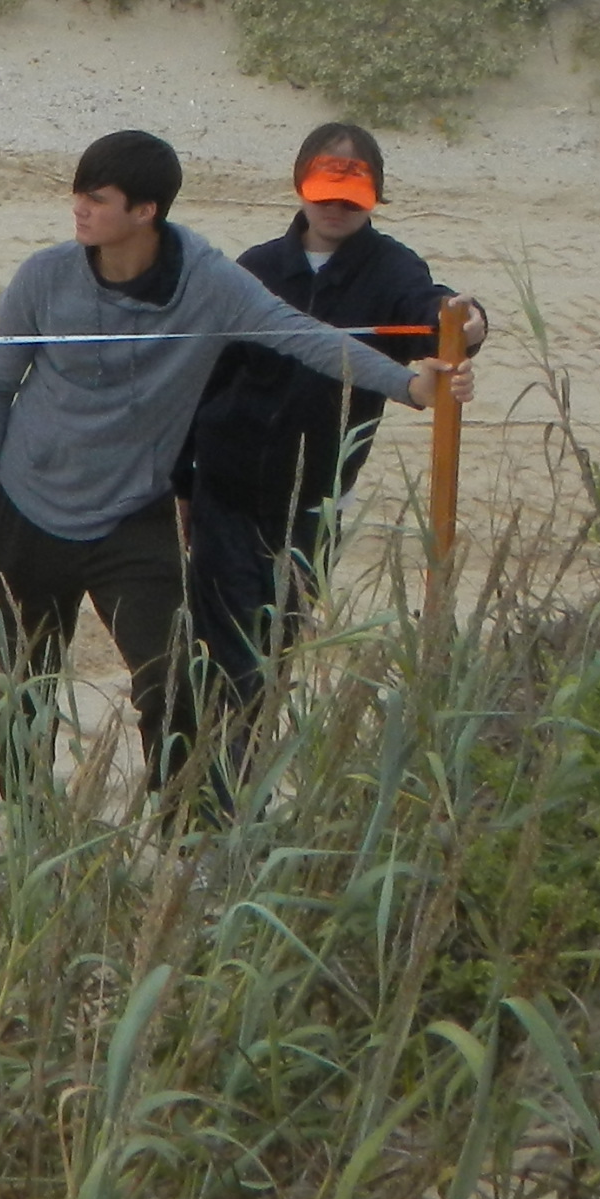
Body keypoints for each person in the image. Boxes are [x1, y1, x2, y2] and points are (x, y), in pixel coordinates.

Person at [0, 130, 462, 786]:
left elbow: (303, 335)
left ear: (145, 211)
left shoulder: (211, 282)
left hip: (133, 518)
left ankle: (182, 833)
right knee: (28, 687)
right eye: (79, 195)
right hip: (25, 510)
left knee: (174, 686)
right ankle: (27, 827)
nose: (79, 209)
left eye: (97, 199)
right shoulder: (43, 276)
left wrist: (410, 386)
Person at [175, 122, 488, 738]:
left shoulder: (391, 268)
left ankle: (247, 769)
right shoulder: (258, 266)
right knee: (217, 657)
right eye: (326, 194)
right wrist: (183, 483)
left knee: (272, 653)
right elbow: (204, 380)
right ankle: (210, 776)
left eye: (352, 198)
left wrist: (468, 323)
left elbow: (430, 311)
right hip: (224, 492)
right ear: (300, 186)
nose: (336, 208)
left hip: (313, 503)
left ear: (374, 198)